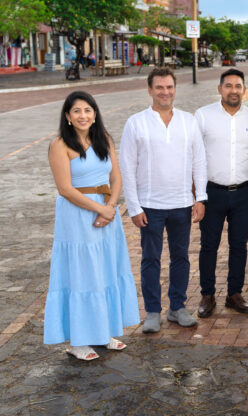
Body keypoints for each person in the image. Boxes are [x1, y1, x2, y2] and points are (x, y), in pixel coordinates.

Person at [44, 91, 140, 361]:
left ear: (95, 114)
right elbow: (65, 189)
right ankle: (78, 341)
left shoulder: (104, 139)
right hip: (77, 216)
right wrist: (101, 210)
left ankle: (102, 332)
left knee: (105, 269)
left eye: (87, 110)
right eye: (76, 111)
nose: (83, 115)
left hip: (106, 213)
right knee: (83, 274)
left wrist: (110, 206)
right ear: (68, 116)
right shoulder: (60, 145)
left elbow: (116, 177)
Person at [120, 67, 207, 333]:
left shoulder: (188, 121)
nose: (165, 92)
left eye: (169, 87)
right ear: (150, 90)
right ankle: (153, 312)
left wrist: (200, 197)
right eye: (159, 87)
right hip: (150, 206)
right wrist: (133, 207)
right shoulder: (136, 123)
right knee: (150, 259)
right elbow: (127, 167)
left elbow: (199, 161)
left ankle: (177, 307)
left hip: (182, 203)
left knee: (181, 257)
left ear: (175, 89)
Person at [195, 69, 248, 318]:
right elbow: (194, 155)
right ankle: (207, 294)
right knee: (208, 245)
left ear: (244, 89)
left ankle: (234, 293)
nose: (233, 90)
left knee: (239, 245)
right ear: (220, 89)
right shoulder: (203, 116)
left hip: (244, 192)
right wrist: (197, 194)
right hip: (212, 192)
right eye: (228, 86)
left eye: (238, 86)